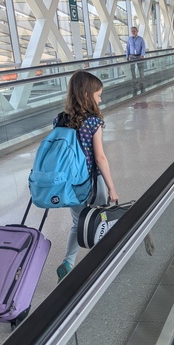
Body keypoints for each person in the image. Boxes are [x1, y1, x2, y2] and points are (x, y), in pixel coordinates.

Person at [56, 70, 119, 282]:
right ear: (86, 94)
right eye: (98, 95)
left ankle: (67, 263)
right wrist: (111, 188)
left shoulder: (61, 119)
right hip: (92, 182)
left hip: (71, 183)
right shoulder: (93, 122)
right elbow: (100, 158)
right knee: (100, 219)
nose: (100, 99)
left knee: (78, 222)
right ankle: (101, 263)